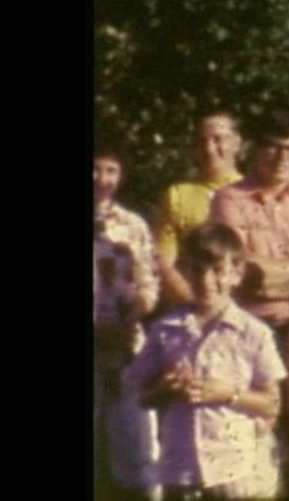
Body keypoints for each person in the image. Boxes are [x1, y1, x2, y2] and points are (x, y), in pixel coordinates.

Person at [208, 108, 289, 489]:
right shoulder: (229, 200)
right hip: (252, 335)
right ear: (254, 149)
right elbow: (245, 275)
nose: (283, 158)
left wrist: (274, 273)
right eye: (274, 148)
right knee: (259, 444)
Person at [127, 223, 287, 500]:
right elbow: (143, 397)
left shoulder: (253, 332)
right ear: (185, 271)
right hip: (181, 468)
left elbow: (272, 403)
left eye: (218, 271)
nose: (206, 280)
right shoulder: (165, 330)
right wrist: (165, 388)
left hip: (234, 468)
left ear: (236, 274)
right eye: (197, 270)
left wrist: (228, 394)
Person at [94, 143, 161, 501]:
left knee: (137, 452)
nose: (101, 179)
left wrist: (135, 311)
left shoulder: (133, 225)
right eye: (96, 168)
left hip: (125, 348)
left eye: (111, 171)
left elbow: (149, 283)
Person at [154, 110, 243, 311]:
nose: (210, 148)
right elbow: (164, 263)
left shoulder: (252, 192)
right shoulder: (177, 195)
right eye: (202, 141)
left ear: (237, 143)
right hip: (192, 310)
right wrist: (198, 306)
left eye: (218, 139)